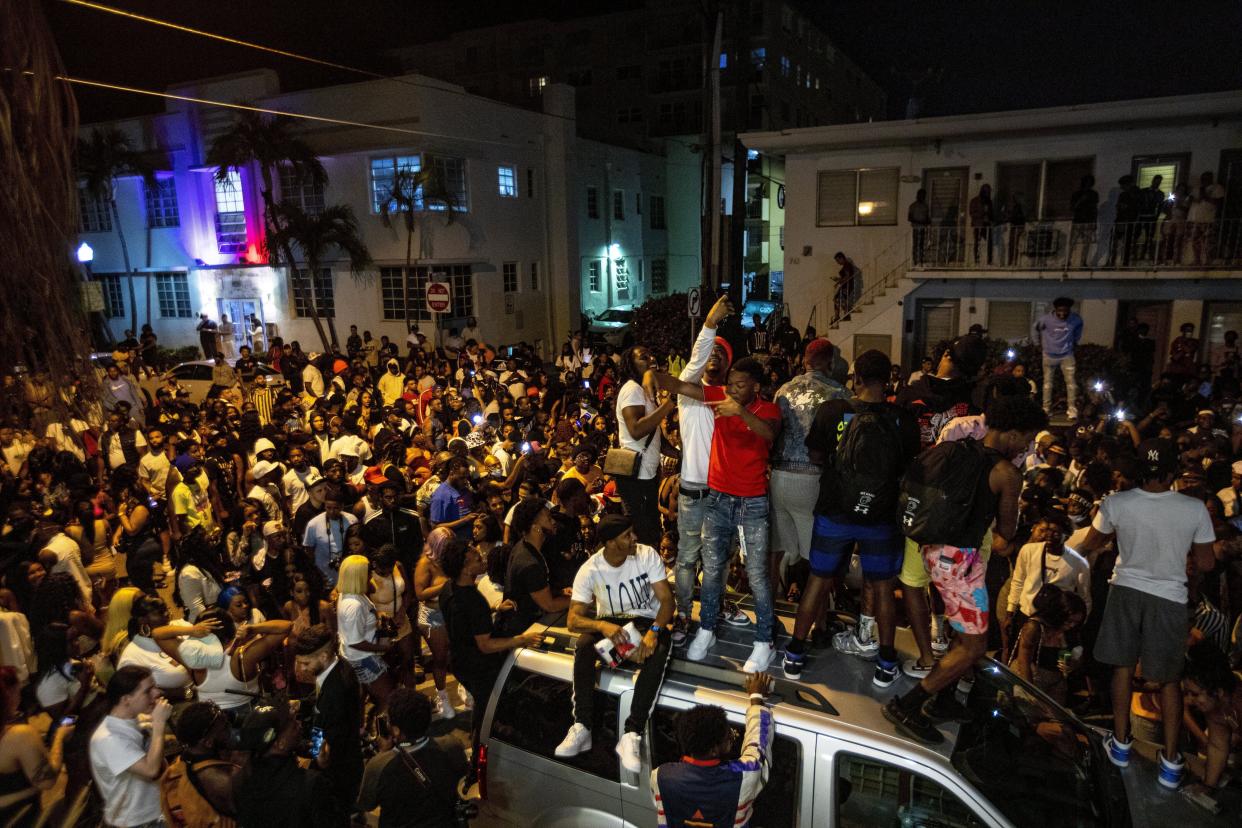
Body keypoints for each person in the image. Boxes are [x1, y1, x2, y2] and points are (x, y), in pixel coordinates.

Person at [883, 394, 1046, 745]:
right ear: (1014, 433)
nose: (1029, 444)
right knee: (974, 646)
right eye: (1029, 436)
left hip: (932, 549)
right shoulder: (1006, 473)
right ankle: (909, 706)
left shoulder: (956, 449)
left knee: (966, 628)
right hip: (959, 563)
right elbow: (1007, 530)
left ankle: (943, 699)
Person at [1077, 438, 1215, 790]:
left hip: (1125, 591)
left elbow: (1089, 543)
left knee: (1122, 668)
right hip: (1168, 597)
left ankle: (1121, 745)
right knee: (1170, 679)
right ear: (1173, 471)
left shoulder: (1115, 503)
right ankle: (1170, 763)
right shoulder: (1194, 508)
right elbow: (1206, 562)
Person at [783, 349, 920, 687]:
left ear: (855, 378)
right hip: (882, 516)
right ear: (888, 380)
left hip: (835, 510)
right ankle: (886, 662)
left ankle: (795, 654)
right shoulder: (903, 419)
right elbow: (909, 465)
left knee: (817, 579)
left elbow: (815, 455)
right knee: (884, 588)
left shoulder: (834, 410)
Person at [658, 357, 781, 673]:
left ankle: (763, 640)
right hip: (718, 497)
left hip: (752, 501)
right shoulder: (719, 397)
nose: (733, 390)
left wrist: (738, 411)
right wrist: (655, 376)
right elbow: (682, 386)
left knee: (756, 574)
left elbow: (769, 435)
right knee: (712, 568)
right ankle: (707, 629)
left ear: (755, 386)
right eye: (731, 384)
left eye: (740, 385)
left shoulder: (768, 409)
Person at [555, 515, 674, 773]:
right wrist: (601, 626)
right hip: (611, 625)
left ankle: (632, 733)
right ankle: (582, 726)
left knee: (661, 649)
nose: (634, 539)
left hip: (644, 622)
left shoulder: (646, 555)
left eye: (632, 533)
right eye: (627, 535)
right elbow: (573, 620)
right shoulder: (590, 570)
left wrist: (653, 632)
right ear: (609, 542)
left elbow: (667, 601)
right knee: (585, 644)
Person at [769, 338, 848, 596]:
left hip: (779, 477)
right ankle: (816, 622)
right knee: (816, 557)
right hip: (812, 480)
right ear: (830, 362)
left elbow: (774, 432)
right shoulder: (839, 393)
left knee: (778, 551)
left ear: (804, 360)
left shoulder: (783, 389)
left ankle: (769, 611)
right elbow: (844, 443)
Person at [650, 673, 774, 828]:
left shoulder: (661, 776)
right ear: (714, 750)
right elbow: (757, 743)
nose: (731, 736)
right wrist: (756, 697)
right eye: (727, 735)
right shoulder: (742, 777)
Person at [356, 688, 470, 828]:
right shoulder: (451, 746)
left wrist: (383, 753)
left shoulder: (379, 765)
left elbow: (366, 804)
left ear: (396, 730)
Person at [293, 624, 364, 823]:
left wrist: (313, 758)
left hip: (338, 769)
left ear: (323, 656)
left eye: (305, 663)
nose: (301, 669)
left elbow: (327, 739)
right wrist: (301, 704)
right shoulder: (337, 666)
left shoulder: (337, 690)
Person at [90, 665, 174, 828]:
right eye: (147, 691)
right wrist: (159, 724)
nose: (157, 693)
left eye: (155, 687)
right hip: (138, 822)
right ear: (126, 699)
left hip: (156, 812)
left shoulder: (135, 719)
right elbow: (150, 770)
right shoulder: (108, 739)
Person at [233, 702, 336, 828]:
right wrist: (325, 769)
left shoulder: (240, 781)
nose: (299, 724)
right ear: (280, 743)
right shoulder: (310, 784)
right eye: (292, 724)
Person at [615, 345, 675, 546]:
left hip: (645, 472)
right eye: (643, 357)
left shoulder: (643, 390)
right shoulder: (631, 390)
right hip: (634, 476)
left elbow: (653, 431)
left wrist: (677, 453)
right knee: (642, 534)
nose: (651, 359)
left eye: (651, 355)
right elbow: (637, 429)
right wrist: (669, 404)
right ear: (630, 364)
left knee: (651, 529)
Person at [0, 665, 73, 826]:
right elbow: (46, 781)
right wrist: (59, 737)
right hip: (22, 819)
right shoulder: (19, 736)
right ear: (8, 696)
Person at [161, 701, 241, 826]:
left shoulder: (176, 768)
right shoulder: (223, 778)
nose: (230, 729)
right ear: (208, 742)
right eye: (225, 728)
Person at [1032, 297, 1084, 420]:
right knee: (1047, 384)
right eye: (1060, 310)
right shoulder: (1045, 320)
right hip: (1049, 355)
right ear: (1055, 309)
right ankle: (1046, 409)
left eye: (1065, 311)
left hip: (1067, 354)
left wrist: (1075, 341)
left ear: (1069, 310)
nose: (1062, 313)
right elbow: (1035, 329)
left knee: (1071, 383)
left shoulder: (1075, 319)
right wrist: (1037, 344)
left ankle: (1072, 410)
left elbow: (1078, 330)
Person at [967, 184, 994, 265]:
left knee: (990, 242)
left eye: (988, 191)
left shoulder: (989, 202)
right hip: (978, 224)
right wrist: (982, 214)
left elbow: (992, 213)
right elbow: (972, 213)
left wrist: (991, 217)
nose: (988, 193)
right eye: (986, 191)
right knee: (977, 242)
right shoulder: (975, 200)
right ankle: (976, 260)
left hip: (987, 224)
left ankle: (989, 260)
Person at [832, 252, 860, 322]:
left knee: (838, 299)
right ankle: (840, 316)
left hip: (848, 286)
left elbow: (847, 277)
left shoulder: (847, 265)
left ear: (842, 258)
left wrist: (838, 282)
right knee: (838, 299)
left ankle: (843, 315)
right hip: (846, 286)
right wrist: (838, 279)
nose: (837, 263)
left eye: (838, 260)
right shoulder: (846, 265)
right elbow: (846, 277)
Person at [908, 188, 931, 266]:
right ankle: (915, 260)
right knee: (916, 244)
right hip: (916, 228)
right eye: (921, 195)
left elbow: (927, 217)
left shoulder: (925, 206)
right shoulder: (913, 206)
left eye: (924, 196)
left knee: (921, 245)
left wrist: (927, 222)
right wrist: (919, 221)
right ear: (917, 196)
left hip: (923, 228)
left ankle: (921, 260)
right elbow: (909, 218)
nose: (922, 197)